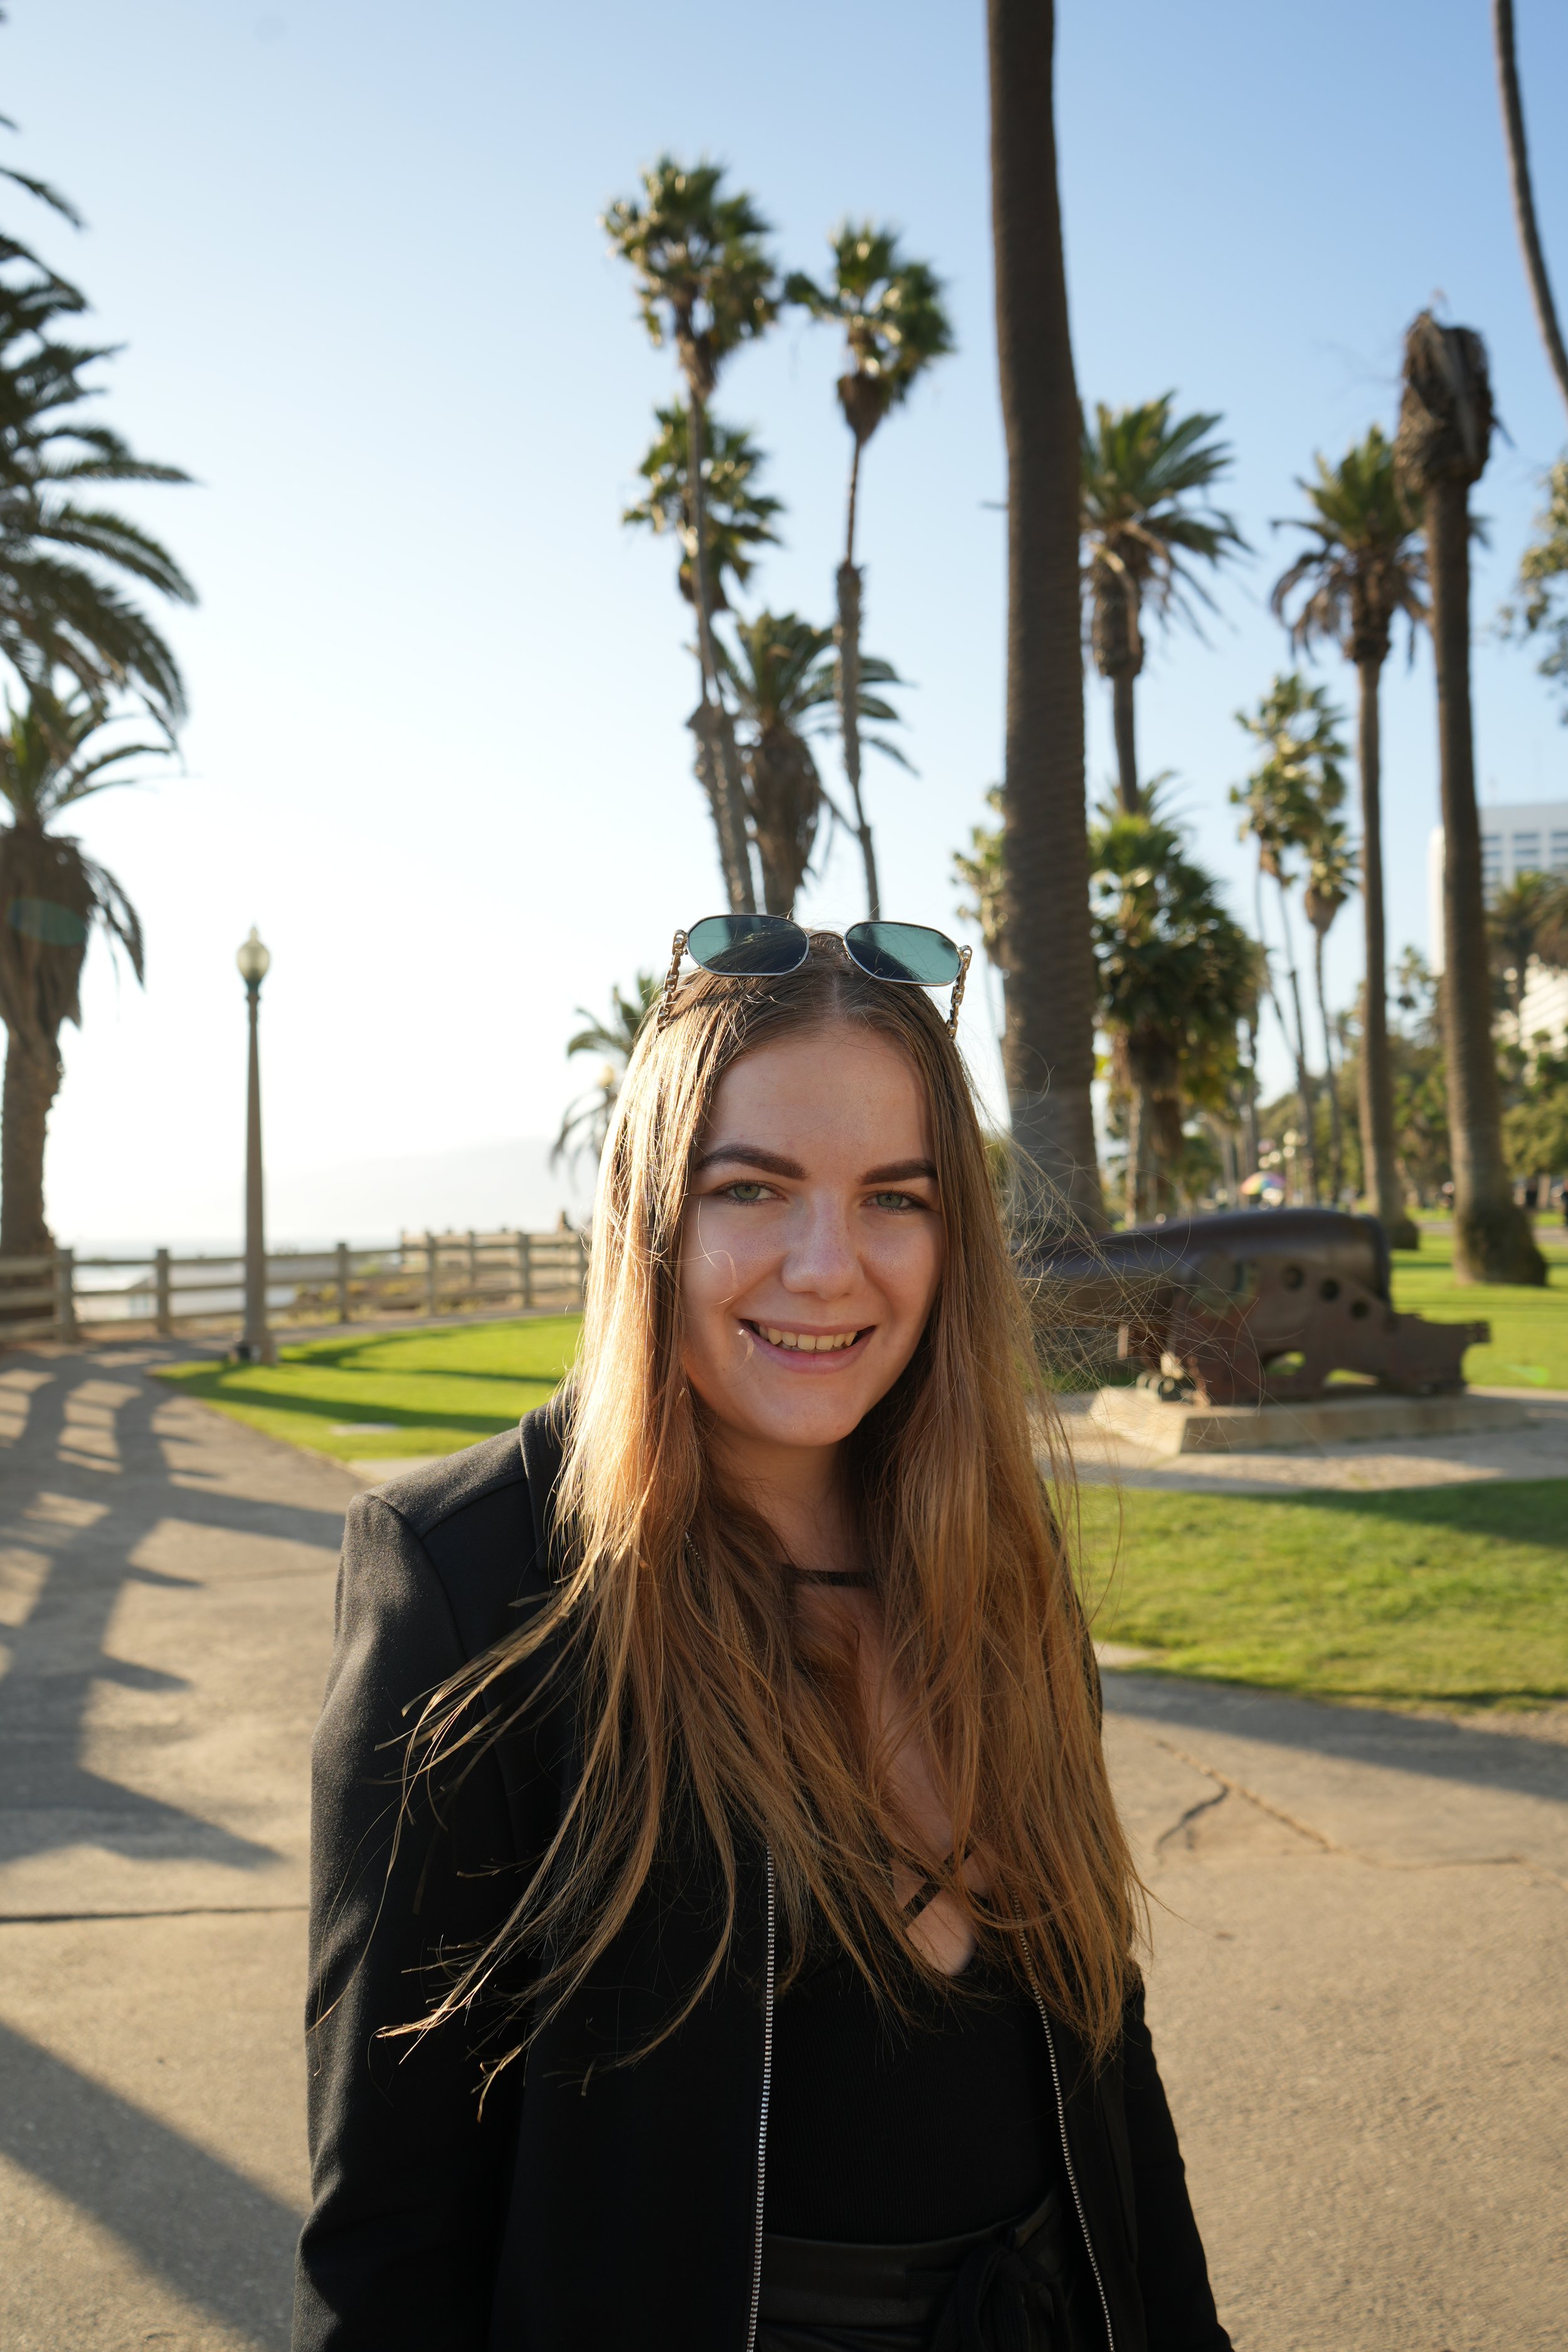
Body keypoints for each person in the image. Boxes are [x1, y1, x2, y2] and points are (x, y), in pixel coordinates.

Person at [293, 921, 1231, 2352]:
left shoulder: (996, 1559)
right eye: (753, 1188)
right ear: (649, 1212)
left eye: (894, 1198)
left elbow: (1109, 2058)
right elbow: (389, 2238)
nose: (827, 1266)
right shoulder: (470, 1582)